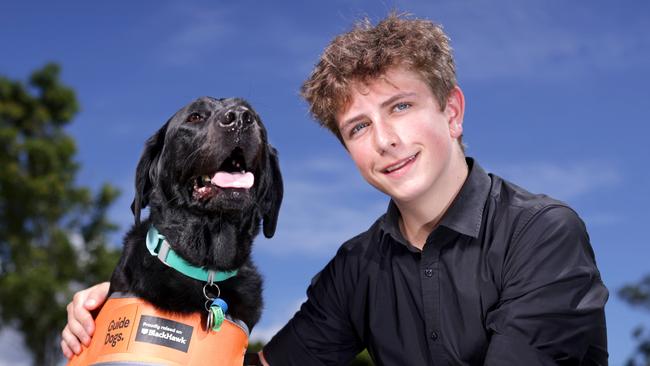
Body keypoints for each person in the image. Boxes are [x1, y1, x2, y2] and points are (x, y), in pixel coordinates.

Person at [61, 13, 608, 365]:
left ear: (452, 111)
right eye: (359, 127)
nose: (387, 140)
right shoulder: (358, 268)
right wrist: (126, 323)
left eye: (401, 107)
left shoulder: (543, 234)